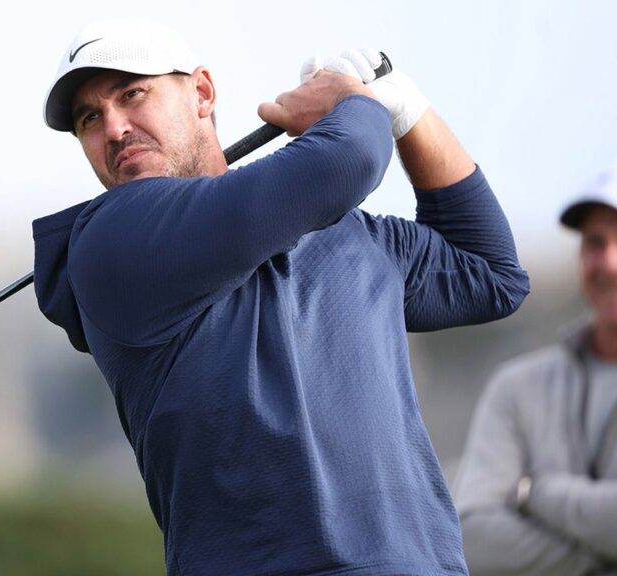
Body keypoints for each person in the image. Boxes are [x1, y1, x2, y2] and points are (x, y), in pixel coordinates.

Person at [32, 19, 529, 575]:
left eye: (132, 94)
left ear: (202, 93)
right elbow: (347, 158)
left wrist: (409, 112)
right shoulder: (111, 242)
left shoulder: (348, 232)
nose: (115, 128)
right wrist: (353, 103)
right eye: (89, 118)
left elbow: (490, 274)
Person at [454, 166, 617, 576]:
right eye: (595, 242)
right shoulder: (517, 387)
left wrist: (539, 493)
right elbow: (472, 538)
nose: (609, 262)